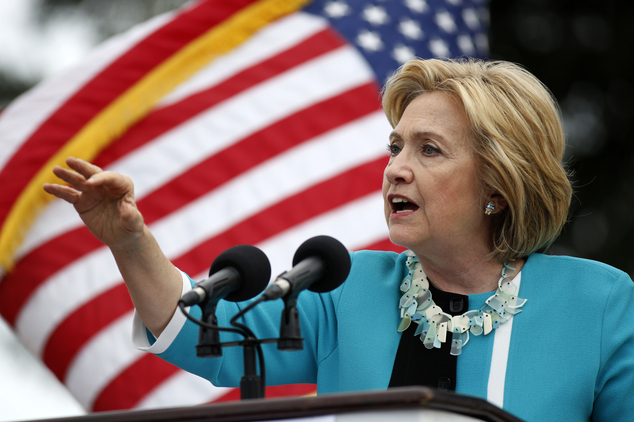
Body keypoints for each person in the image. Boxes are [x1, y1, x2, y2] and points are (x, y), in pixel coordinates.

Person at [43, 58, 634, 422]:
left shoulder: (599, 305)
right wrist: (129, 238)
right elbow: (202, 336)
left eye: (429, 150)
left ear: (498, 186)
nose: (397, 168)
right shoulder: (343, 286)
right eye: (395, 147)